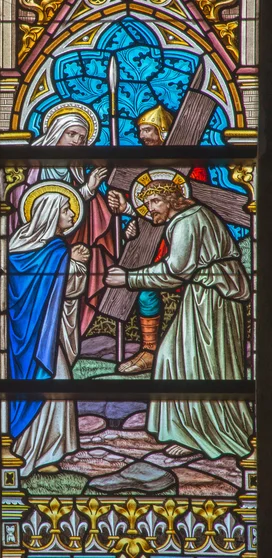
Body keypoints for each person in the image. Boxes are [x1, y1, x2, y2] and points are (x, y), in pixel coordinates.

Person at [105, 179, 253, 458]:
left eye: (154, 202)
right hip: (206, 293)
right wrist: (128, 212)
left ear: (172, 200)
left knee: (202, 363)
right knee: (180, 359)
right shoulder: (191, 215)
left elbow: (177, 270)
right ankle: (191, 430)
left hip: (212, 297)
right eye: (147, 203)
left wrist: (128, 278)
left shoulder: (187, 221)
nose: (150, 209)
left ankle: (204, 433)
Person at [107, 104, 209, 374]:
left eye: (148, 130)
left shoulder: (190, 163)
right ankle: (150, 350)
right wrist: (127, 212)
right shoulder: (142, 164)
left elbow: (192, 200)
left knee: (194, 291)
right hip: (153, 241)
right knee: (146, 289)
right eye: (140, 131)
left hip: (187, 240)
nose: (142, 137)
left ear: (164, 131)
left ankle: (192, 350)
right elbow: (149, 208)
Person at [7, 104, 114, 334]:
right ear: (57, 132)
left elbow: (83, 213)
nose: (77, 142)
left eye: (82, 138)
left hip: (67, 248)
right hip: (36, 251)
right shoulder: (31, 168)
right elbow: (21, 201)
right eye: (71, 134)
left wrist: (90, 189)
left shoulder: (76, 172)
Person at [8, 186, 90, 476]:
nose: (70, 215)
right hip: (42, 334)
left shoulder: (15, 246)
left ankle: (33, 450)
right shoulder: (56, 250)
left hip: (18, 333)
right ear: (52, 214)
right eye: (66, 210)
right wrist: (78, 264)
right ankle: (41, 452)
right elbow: (67, 291)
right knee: (57, 380)